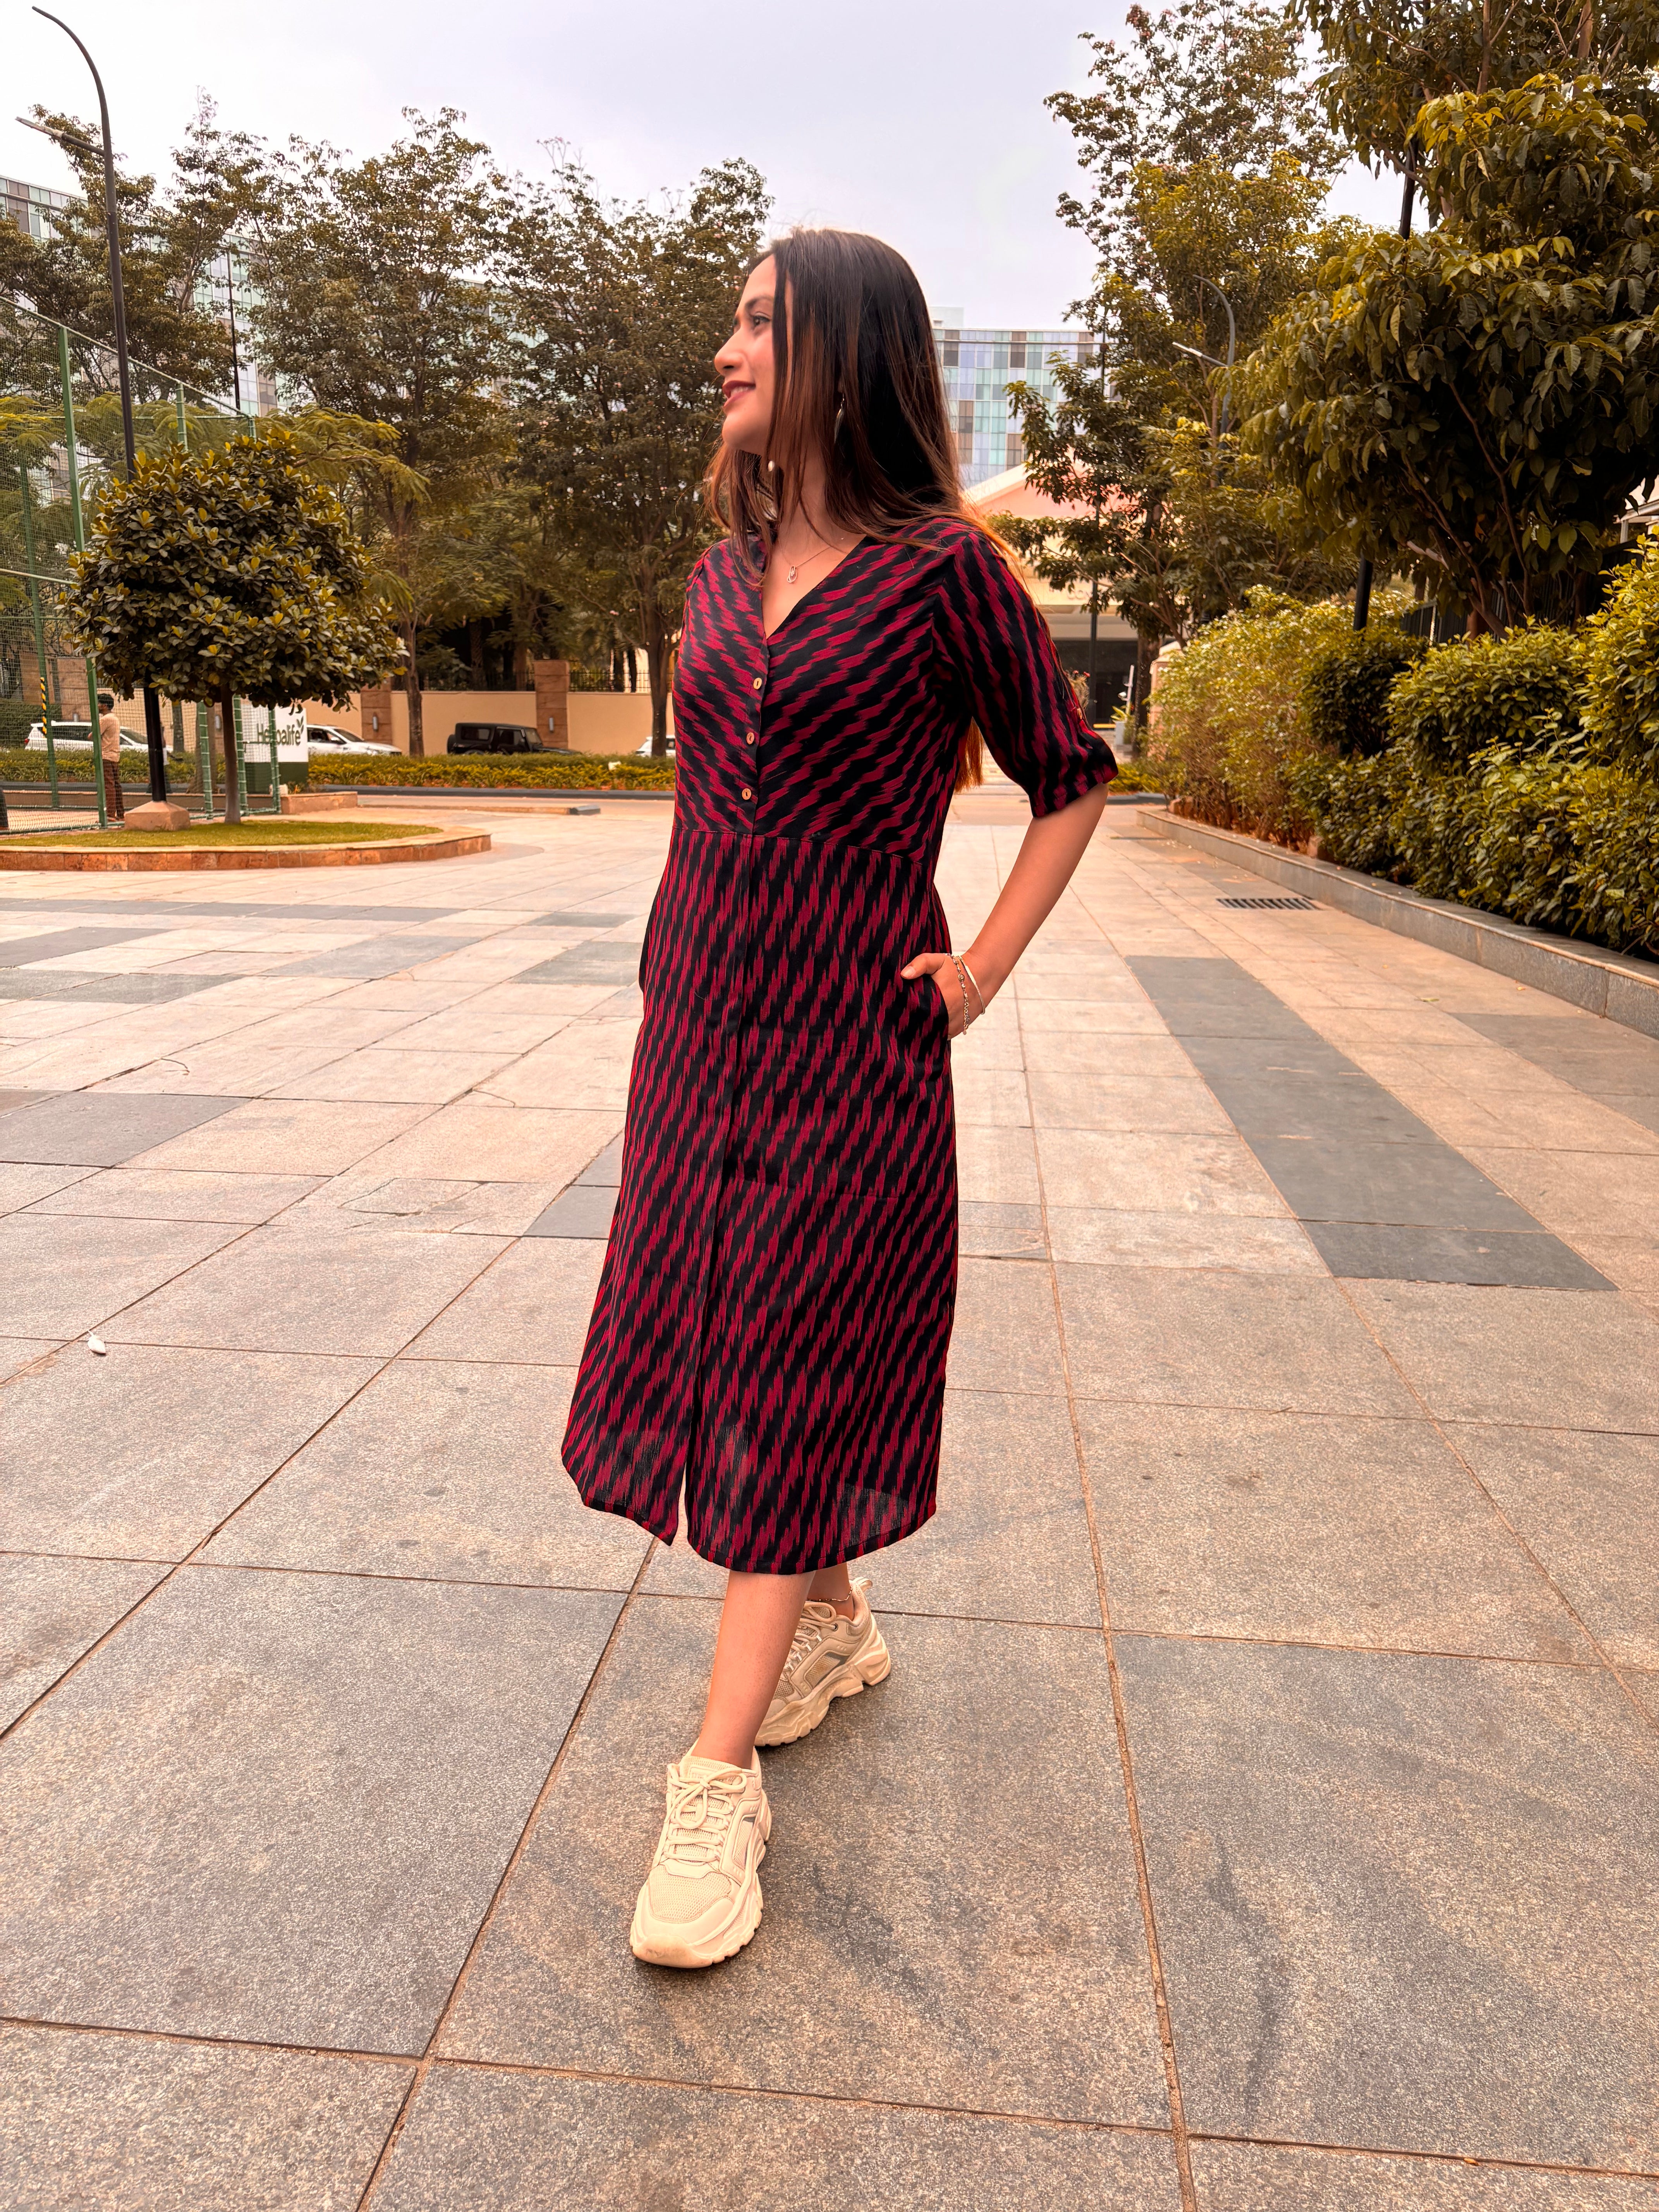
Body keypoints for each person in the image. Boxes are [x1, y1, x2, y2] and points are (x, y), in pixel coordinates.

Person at [562, 226, 1116, 1971]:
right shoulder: (720, 572)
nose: (722, 354)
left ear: (839, 357)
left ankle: (714, 1781)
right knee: (709, 1348)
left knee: (787, 1368)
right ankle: (826, 1615)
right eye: (729, 323)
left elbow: (1071, 777)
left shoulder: (944, 570)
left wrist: (980, 969)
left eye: (752, 325)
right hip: (695, 1042)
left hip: (849, 1054)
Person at [96, 692, 125, 823]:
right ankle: (120, 813)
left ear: (104, 705)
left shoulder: (106, 719)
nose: (97, 706)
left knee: (109, 785)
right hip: (115, 755)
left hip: (106, 755)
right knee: (116, 785)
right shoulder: (115, 718)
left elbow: (94, 734)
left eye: (99, 703)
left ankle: (110, 815)